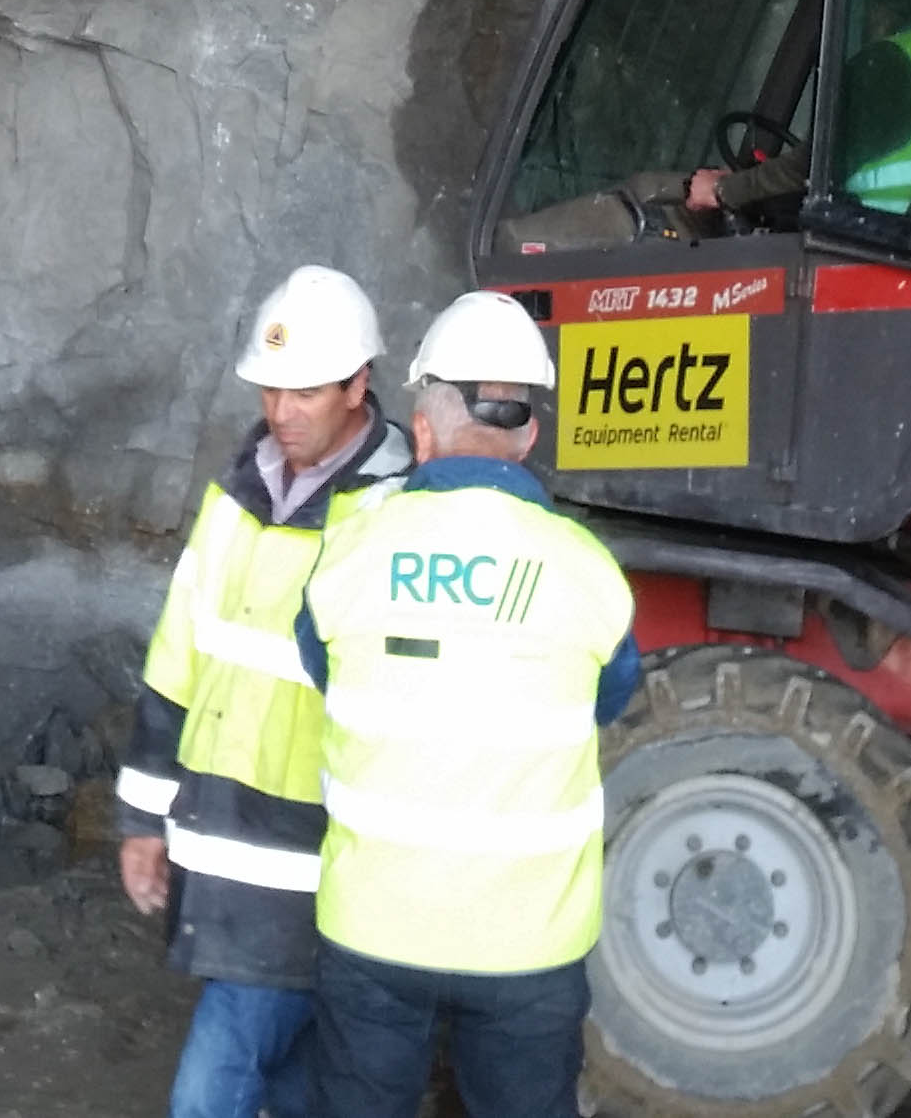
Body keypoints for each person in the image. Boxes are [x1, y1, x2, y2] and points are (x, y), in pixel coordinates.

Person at [289, 293, 643, 1118]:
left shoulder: (352, 553)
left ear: (421, 431)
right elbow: (608, 698)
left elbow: (322, 668)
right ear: (531, 434)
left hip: (376, 926)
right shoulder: (586, 568)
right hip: (528, 943)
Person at [115, 267, 412, 1118]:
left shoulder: (394, 515)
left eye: (307, 392)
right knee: (288, 1079)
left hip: (318, 855)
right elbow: (177, 663)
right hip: (224, 840)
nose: (283, 412)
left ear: (360, 386)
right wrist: (142, 821)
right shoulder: (237, 496)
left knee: (217, 1080)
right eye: (271, 389)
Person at [688, 0, 911, 231]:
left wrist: (724, 190)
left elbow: (813, 166)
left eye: (868, 7)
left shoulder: (888, 63)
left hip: (873, 237)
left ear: (882, 12)